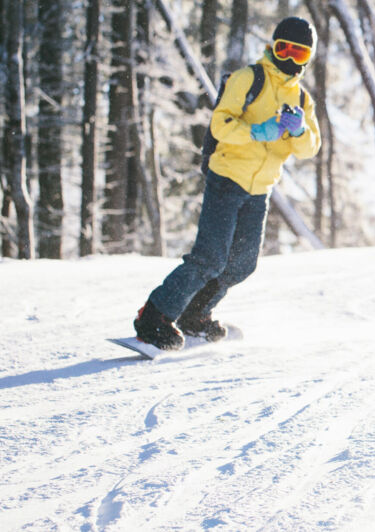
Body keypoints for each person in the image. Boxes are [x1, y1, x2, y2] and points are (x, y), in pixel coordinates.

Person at [133, 16, 321, 350]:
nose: (290, 59)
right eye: (284, 49)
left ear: (308, 57)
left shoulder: (303, 100)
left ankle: (195, 316)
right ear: (273, 47)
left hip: (259, 190)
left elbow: (310, 148)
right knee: (210, 258)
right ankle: (154, 316)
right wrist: (256, 131)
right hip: (227, 179)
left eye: (299, 53)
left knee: (242, 264)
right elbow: (220, 124)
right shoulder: (249, 78)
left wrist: (298, 130)